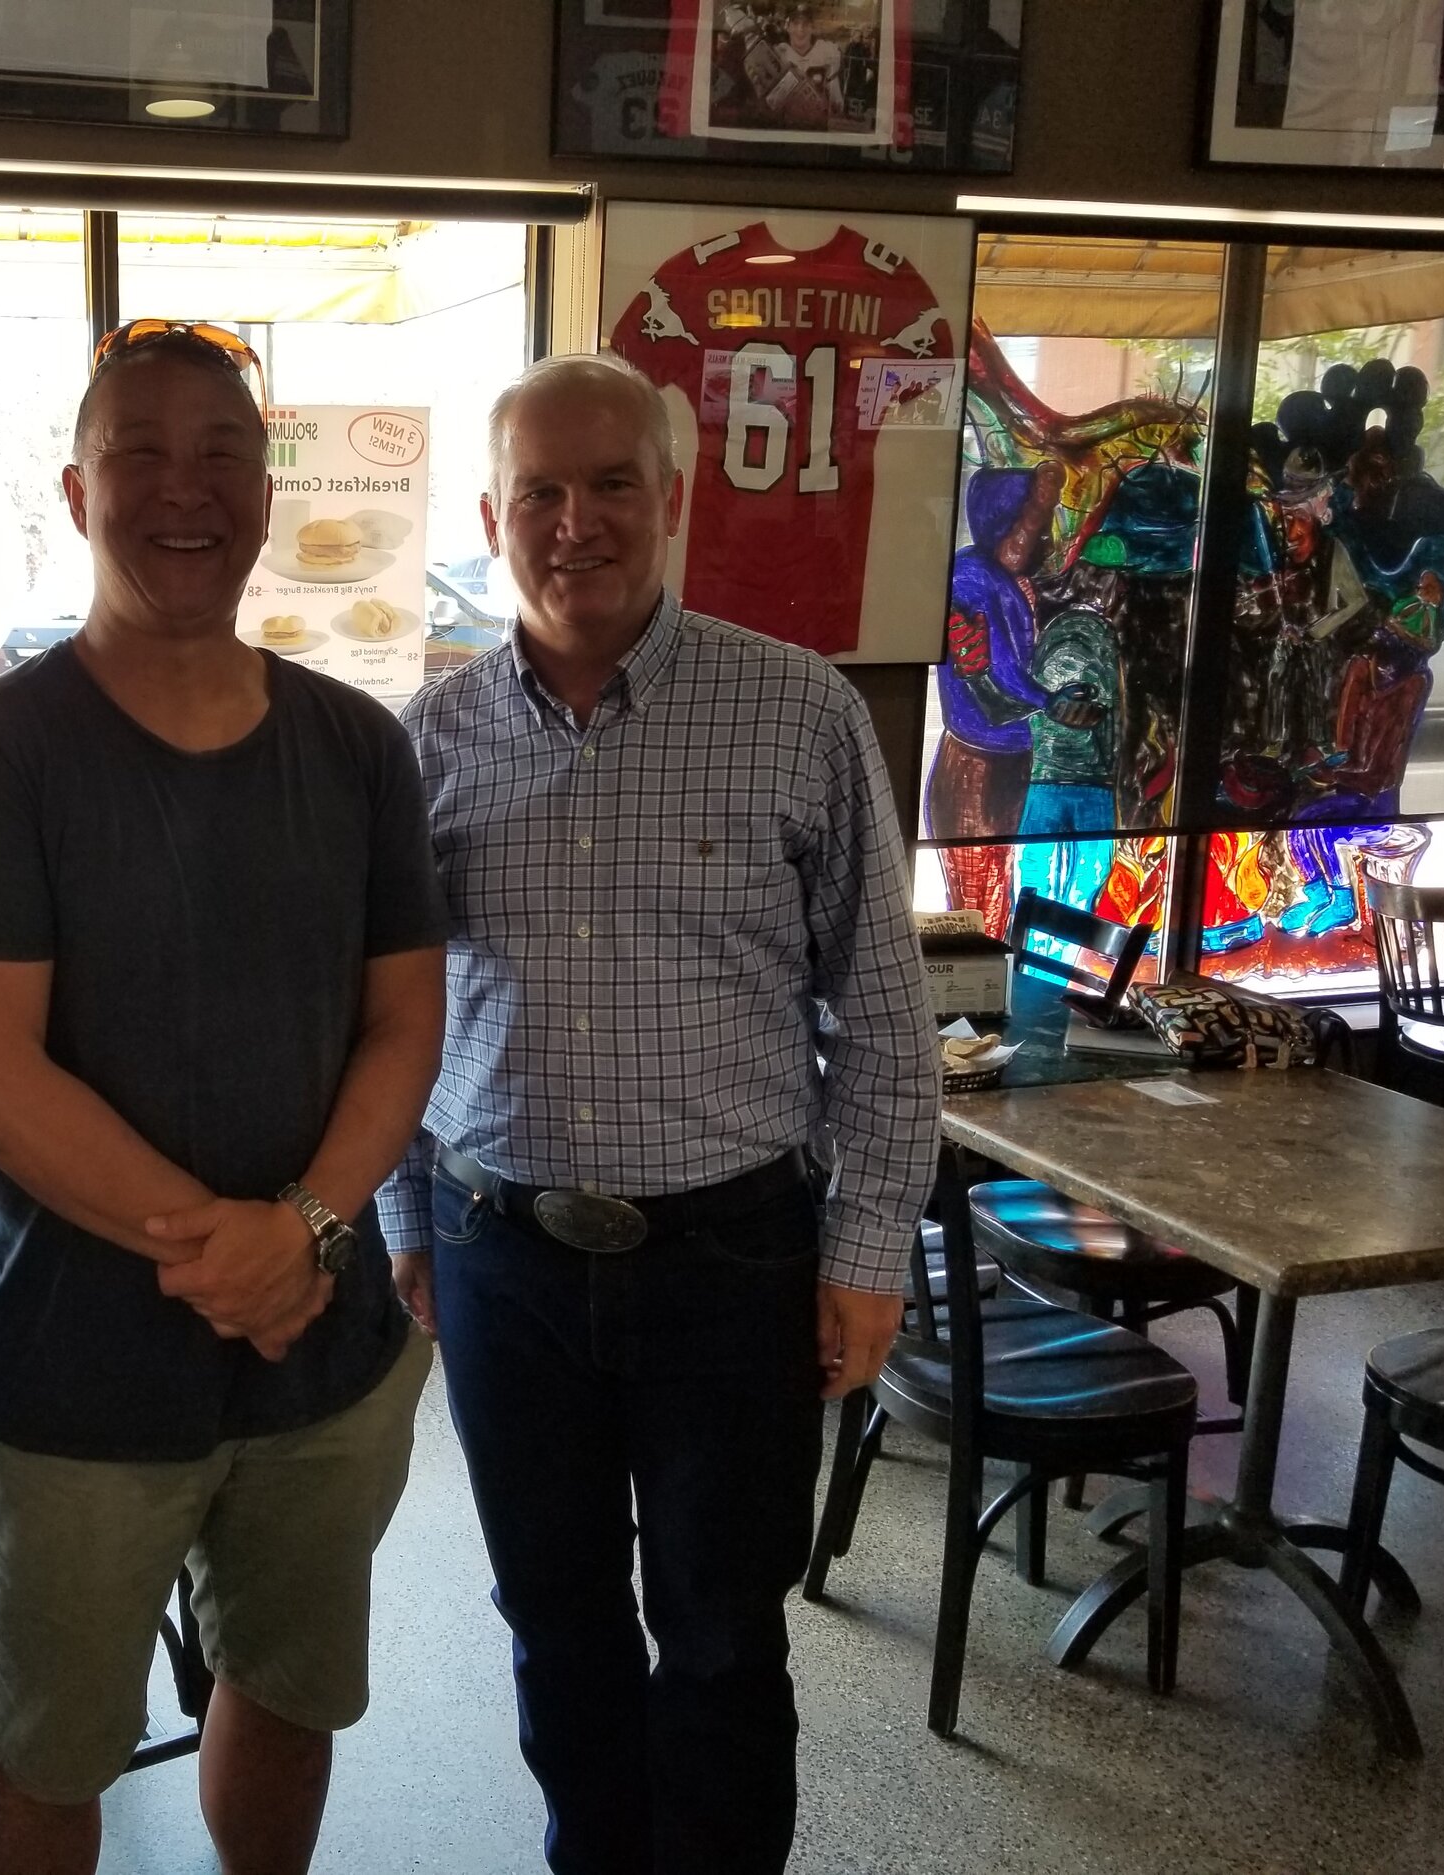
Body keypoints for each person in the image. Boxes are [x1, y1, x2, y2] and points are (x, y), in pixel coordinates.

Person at [0, 321, 448, 1875]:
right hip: (76, 1365)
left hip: (324, 1361)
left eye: (222, 453)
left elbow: (406, 1018)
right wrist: (237, 1250)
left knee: (286, 1690)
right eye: (140, 452)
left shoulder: (355, 746)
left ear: (267, 492)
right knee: (49, 1742)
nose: (182, 488)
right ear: (77, 490)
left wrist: (312, 1230)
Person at [381, 350, 937, 1875]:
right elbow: (393, 1013)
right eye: (541, 492)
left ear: (673, 496)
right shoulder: (426, 741)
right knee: (552, 1624)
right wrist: (404, 1219)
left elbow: (885, 1015)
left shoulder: (798, 709)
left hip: (734, 1259)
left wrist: (870, 1251)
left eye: (612, 483)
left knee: (717, 1631)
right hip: (503, 1253)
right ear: (493, 514)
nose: (577, 522)